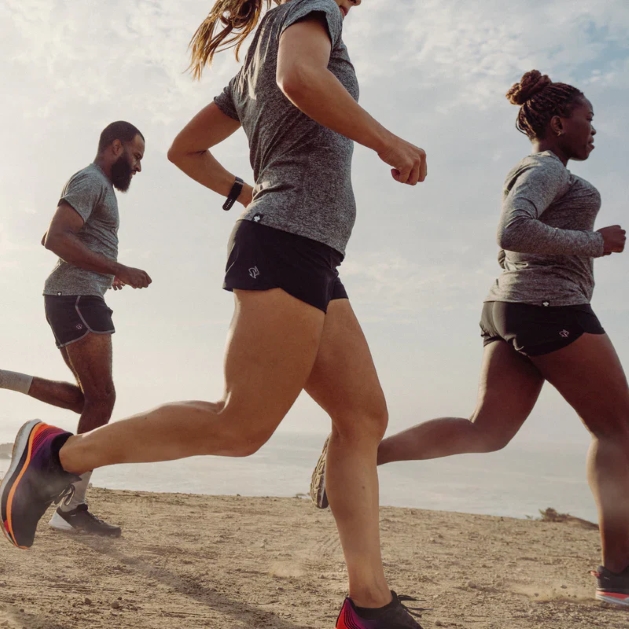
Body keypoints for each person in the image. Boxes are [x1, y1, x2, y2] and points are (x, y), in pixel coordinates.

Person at [0, 1, 429, 627]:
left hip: (308, 249)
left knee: (362, 415)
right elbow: (300, 81)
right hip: (284, 244)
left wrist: (245, 192)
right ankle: (54, 456)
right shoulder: (309, 10)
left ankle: (369, 603)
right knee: (239, 426)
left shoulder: (261, 43)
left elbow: (184, 148)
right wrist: (388, 141)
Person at [311, 69, 629, 608]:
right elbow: (513, 229)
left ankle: (361, 455)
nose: (594, 130)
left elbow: (514, 243)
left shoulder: (535, 169)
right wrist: (594, 242)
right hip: (549, 307)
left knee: (487, 431)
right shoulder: (545, 168)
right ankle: (618, 577)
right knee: (619, 429)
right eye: (588, 119)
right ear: (558, 123)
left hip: (512, 306)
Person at [0, 121, 152, 537]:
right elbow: (55, 238)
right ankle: (70, 505)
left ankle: (3, 379)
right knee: (103, 399)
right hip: (77, 299)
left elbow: (60, 237)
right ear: (115, 147)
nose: (138, 167)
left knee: (90, 400)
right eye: (136, 156)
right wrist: (117, 267)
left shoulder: (95, 186)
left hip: (75, 296)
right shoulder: (91, 179)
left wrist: (105, 272)